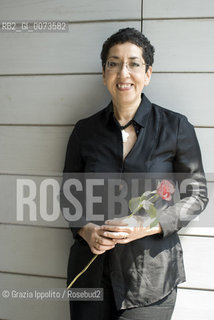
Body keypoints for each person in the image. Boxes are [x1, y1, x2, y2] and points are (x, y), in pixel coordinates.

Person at [60, 28, 208, 320]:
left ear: (148, 72)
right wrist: (86, 230)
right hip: (90, 274)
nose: (123, 72)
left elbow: (197, 195)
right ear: (104, 74)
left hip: (150, 279)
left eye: (134, 63)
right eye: (113, 63)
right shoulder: (84, 131)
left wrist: (148, 225)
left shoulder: (177, 128)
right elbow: (68, 196)